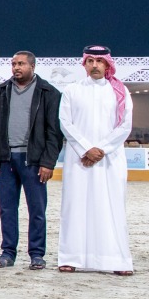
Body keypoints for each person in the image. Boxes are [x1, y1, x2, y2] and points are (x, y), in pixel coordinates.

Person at [0, 51, 63, 270]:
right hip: (5, 159)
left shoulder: (49, 92)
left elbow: (54, 132)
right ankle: (8, 252)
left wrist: (48, 162)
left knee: (37, 209)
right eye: (14, 64)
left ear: (32, 66)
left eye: (21, 64)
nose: (16, 68)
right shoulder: (0, 92)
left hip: (34, 160)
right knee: (7, 209)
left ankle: (37, 254)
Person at [58, 46, 134, 275]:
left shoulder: (120, 91)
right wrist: (85, 149)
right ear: (84, 64)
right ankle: (71, 258)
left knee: (111, 207)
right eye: (90, 60)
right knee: (75, 206)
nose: (94, 65)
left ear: (108, 64)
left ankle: (116, 260)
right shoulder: (72, 90)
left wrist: (100, 149)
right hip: (79, 159)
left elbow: (125, 125)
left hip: (109, 160)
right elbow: (65, 123)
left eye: (99, 61)